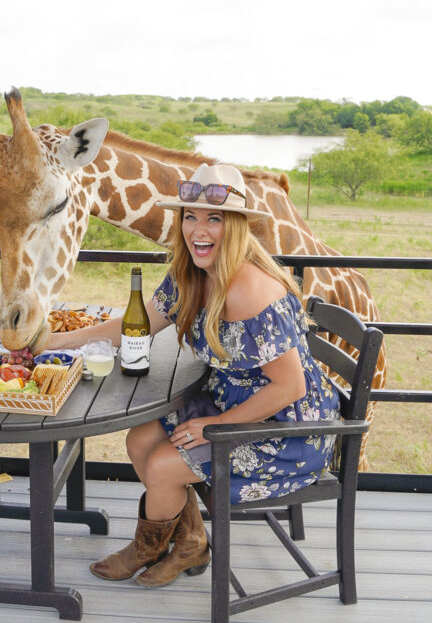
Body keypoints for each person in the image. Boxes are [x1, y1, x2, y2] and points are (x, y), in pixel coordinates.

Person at [48, 162, 341, 588]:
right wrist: (59, 341)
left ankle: (149, 546)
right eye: (190, 216)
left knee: (164, 467)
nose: (198, 229)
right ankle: (188, 542)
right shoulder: (190, 275)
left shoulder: (250, 290)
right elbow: (140, 323)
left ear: (236, 225)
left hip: (287, 429)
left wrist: (214, 426)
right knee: (140, 438)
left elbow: (291, 386)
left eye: (214, 218)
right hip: (235, 400)